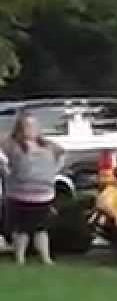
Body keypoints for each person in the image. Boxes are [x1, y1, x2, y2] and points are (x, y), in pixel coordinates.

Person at [0, 111, 64, 265]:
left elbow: (62, 153)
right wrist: (5, 169)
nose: (32, 128)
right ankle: (20, 259)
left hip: (44, 195)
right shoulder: (12, 144)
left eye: (34, 125)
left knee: (41, 228)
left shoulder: (47, 144)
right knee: (21, 229)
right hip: (19, 194)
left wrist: (54, 170)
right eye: (28, 125)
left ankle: (46, 259)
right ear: (20, 128)